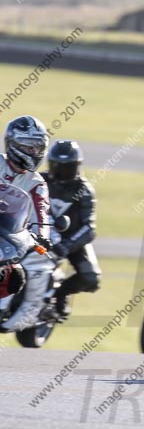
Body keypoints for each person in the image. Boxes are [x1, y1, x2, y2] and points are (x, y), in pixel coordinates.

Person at [0, 116, 51, 331]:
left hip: (8, 236)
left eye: (37, 147)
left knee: (15, 275)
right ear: (12, 144)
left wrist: (42, 237)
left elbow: (42, 212)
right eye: (28, 146)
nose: (33, 152)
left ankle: (5, 310)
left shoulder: (36, 182)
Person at [42, 140, 98, 320]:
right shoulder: (39, 181)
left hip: (71, 240)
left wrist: (67, 246)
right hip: (40, 234)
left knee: (91, 278)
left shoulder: (84, 189)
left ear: (77, 166)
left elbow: (89, 228)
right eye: (58, 166)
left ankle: (60, 294)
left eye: (67, 167)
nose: (61, 172)